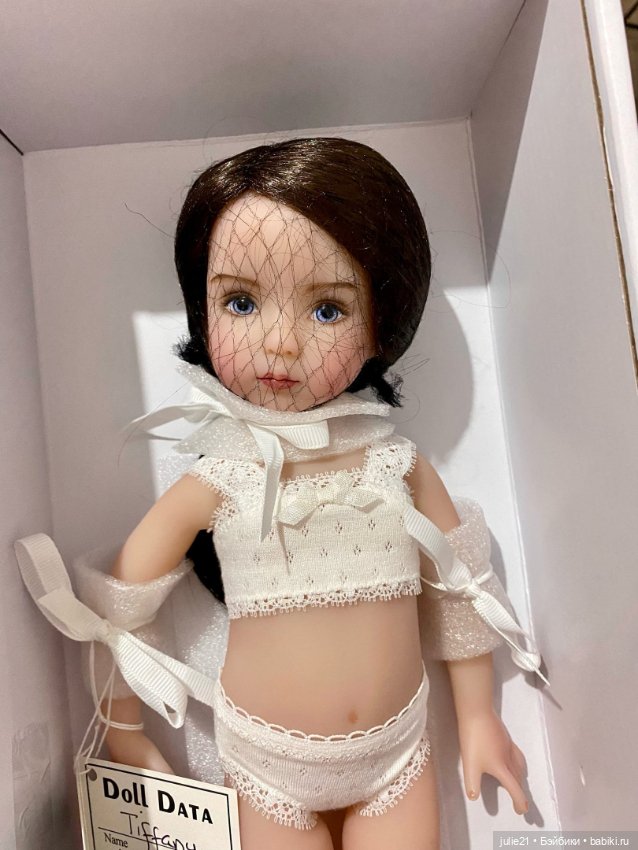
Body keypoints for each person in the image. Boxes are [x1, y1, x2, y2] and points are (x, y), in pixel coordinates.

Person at [16, 137, 546, 850]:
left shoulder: (395, 463)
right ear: (202, 312)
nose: (281, 344)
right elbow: (121, 604)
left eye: (327, 310)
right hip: (266, 765)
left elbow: (460, 587)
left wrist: (478, 716)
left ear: (382, 323)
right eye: (241, 302)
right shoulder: (221, 477)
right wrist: (123, 729)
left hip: (398, 755)